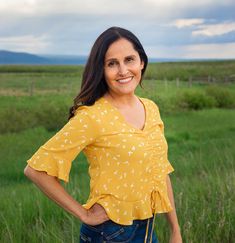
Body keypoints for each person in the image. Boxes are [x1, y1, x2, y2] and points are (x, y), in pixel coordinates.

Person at [24, 26, 182, 243]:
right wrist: (84, 214)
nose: (123, 71)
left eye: (129, 60)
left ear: (142, 62)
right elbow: (36, 170)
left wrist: (175, 230)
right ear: (101, 70)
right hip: (110, 233)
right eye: (112, 63)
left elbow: (160, 171)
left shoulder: (151, 108)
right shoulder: (92, 117)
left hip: (147, 229)